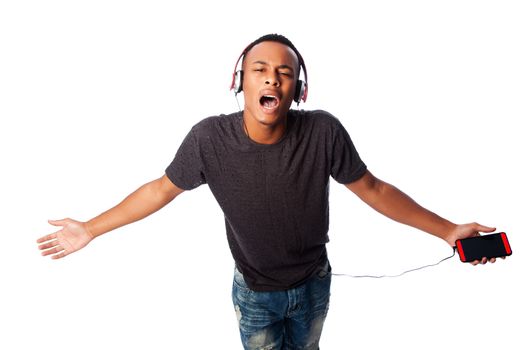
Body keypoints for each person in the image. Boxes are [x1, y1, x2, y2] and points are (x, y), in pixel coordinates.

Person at [37, 34, 502, 350]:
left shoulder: (323, 131)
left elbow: (375, 189)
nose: (271, 78)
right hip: (256, 293)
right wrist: (90, 230)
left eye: (284, 71)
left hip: (313, 284)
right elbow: (160, 190)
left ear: (296, 88)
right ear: (240, 82)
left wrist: (448, 231)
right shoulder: (208, 140)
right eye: (259, 69)